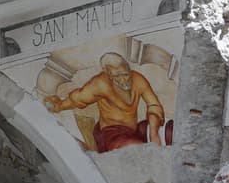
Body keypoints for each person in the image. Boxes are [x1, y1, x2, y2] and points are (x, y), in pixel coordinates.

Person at [44, 52, 173, 152]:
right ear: (108, 74)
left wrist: (154, 133)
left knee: (171, 131)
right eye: (117, 76)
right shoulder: (100, 84)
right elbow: (77, 99)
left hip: (135, 130)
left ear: (128, 69)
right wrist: (59, 105)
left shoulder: (137, 79)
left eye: (125, 74)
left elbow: (154, 105)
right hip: (113, 134)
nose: (123, 80)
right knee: (138, 149)